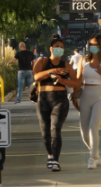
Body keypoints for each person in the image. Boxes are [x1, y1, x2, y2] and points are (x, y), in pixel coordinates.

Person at [33, 36, 80, 172]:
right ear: (51, 48)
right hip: (43, 99)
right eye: (56, 46)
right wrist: (51, 72)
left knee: (55, 128)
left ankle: (55, 160)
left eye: (61, 47)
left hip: (60, 99)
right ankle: (50, 155)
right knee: (45, 131)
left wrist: (61, 80)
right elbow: (36, 76)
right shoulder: (42, 61)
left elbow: (76, 82)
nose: (59, 49)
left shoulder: (66, 65)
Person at [76, 35, 101, 170]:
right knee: (84, 132)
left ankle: (92, 158)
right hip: (85, 95)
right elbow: (78, 80)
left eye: (96, 45)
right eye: (91, 44)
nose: (93, 47)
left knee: (93, 128)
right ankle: (96, 153)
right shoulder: (83, 61)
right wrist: (74, 97)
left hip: (100, 96)